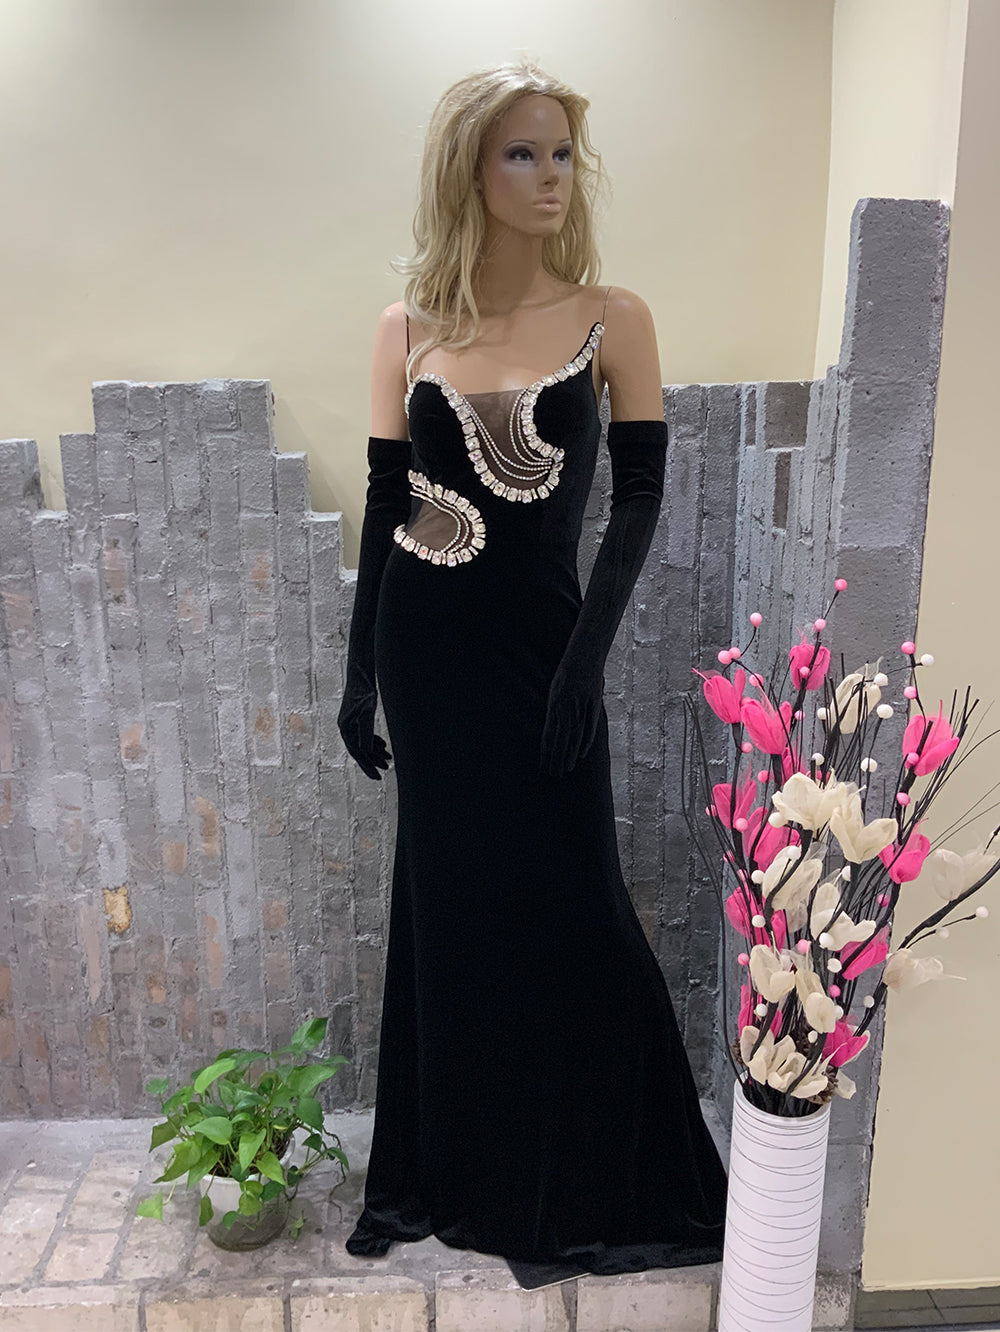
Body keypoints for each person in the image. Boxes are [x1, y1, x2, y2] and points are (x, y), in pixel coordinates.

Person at [337, 60, 728, 1276]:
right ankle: (453, 1170)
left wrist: (583, 667)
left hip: (547, 654)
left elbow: (641, 497)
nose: (550, 176)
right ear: (470, 170)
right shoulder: (406, 329)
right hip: (429, 658)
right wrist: (358, 677)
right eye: (521, 153)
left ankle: (587, 1172)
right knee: (452, 907)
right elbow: (386, 505)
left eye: (561, 152)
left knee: (574, 903)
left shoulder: (614, 317)